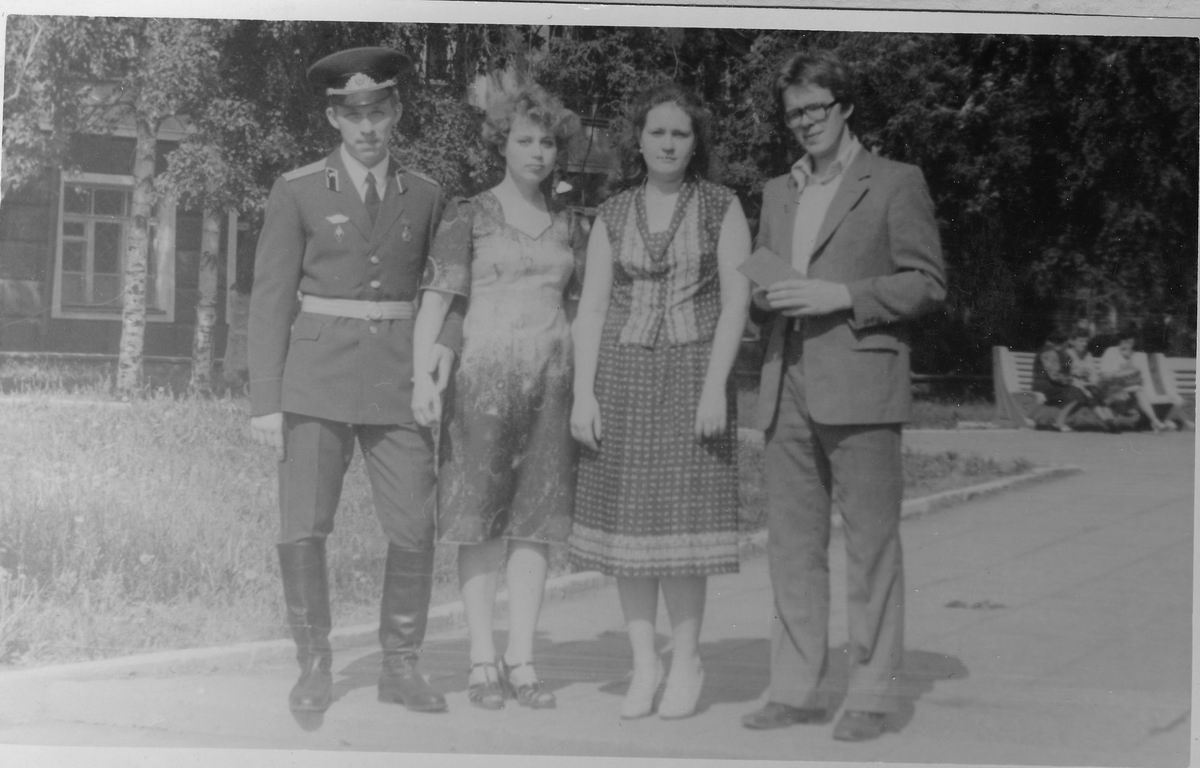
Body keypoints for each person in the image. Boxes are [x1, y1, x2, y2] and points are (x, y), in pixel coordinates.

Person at [248, 47, 462, 720]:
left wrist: (443, 352)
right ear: (334, 119)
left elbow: (452, 289)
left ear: (396, 113)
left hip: (398, 379)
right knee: (303, 524)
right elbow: (270, 298)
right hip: (315, 380)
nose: (367, 126)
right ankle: (314, 666)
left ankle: (400, 666)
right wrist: (265, 401)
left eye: (378, 112)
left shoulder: (425, 193)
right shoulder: (299, 189)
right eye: (353, 114)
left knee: (415, 525)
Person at [740, 50, 946, 742]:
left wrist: (843, 296)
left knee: (871, 547)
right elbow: (763, 280)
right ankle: (795, 690)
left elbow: (927, 283)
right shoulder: (778, 190)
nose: (805, 122)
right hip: (786, 381)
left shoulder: (895, 181)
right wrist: (765, 293)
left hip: (863, 383)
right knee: (792, 548)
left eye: (816, 108)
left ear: (847, 106)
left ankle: (872, 695)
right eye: (793, 113)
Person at [569, 83, 751, 721]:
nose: (668, 144)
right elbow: (592, 308)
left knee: (682, 528)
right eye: (657, 132)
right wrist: (583, 395)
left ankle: (687, 660)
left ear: (696, 142)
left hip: (694, 373)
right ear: (638, 140)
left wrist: (715, 387)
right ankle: (644, 663)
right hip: (622, 378)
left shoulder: (722, 206)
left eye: (680, 133)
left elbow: (736, 303)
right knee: (628, 528)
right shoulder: (613, 212)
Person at [411, 81, 583, 711]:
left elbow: (580, 310)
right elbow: (437, 303)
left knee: (534, 525)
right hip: (480, 388)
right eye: (525, 140)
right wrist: (421, 377)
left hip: (551, 388)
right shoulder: (471, 214)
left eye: (548, 142)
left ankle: (523, 658)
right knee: (479, 521)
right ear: (502, 144)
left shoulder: (570, 224)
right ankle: (483, 659)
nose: (538, 153)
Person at [1097, 325, 1192, 431]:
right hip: (1112, 388)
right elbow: (1105, 376)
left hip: (1131, 389)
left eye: (1130, 341)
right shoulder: (1111, 352)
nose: (1127, 343)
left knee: (1142, 391)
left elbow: (1141, 376)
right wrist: (1122, 373)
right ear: (1120, 340)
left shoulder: (1136, 356)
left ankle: (1161, 421)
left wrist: (1129, 363)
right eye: (1124, 340)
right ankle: (1158, 421)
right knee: (1138, 390)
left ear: (1133, 342)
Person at [1032, 332, 1090, 432]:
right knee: (1077, 394)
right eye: (1067, 344)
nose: (1067, 346)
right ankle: (1059, 423)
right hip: (1045, 385)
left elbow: (1065, 369)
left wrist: (1075, 373)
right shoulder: (1049, 353)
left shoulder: (1057, 353)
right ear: (1062, 343)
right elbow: (1054, 375)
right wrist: (1071, 380)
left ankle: (1051, 421)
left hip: (1051, 385)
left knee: (1076, 392)